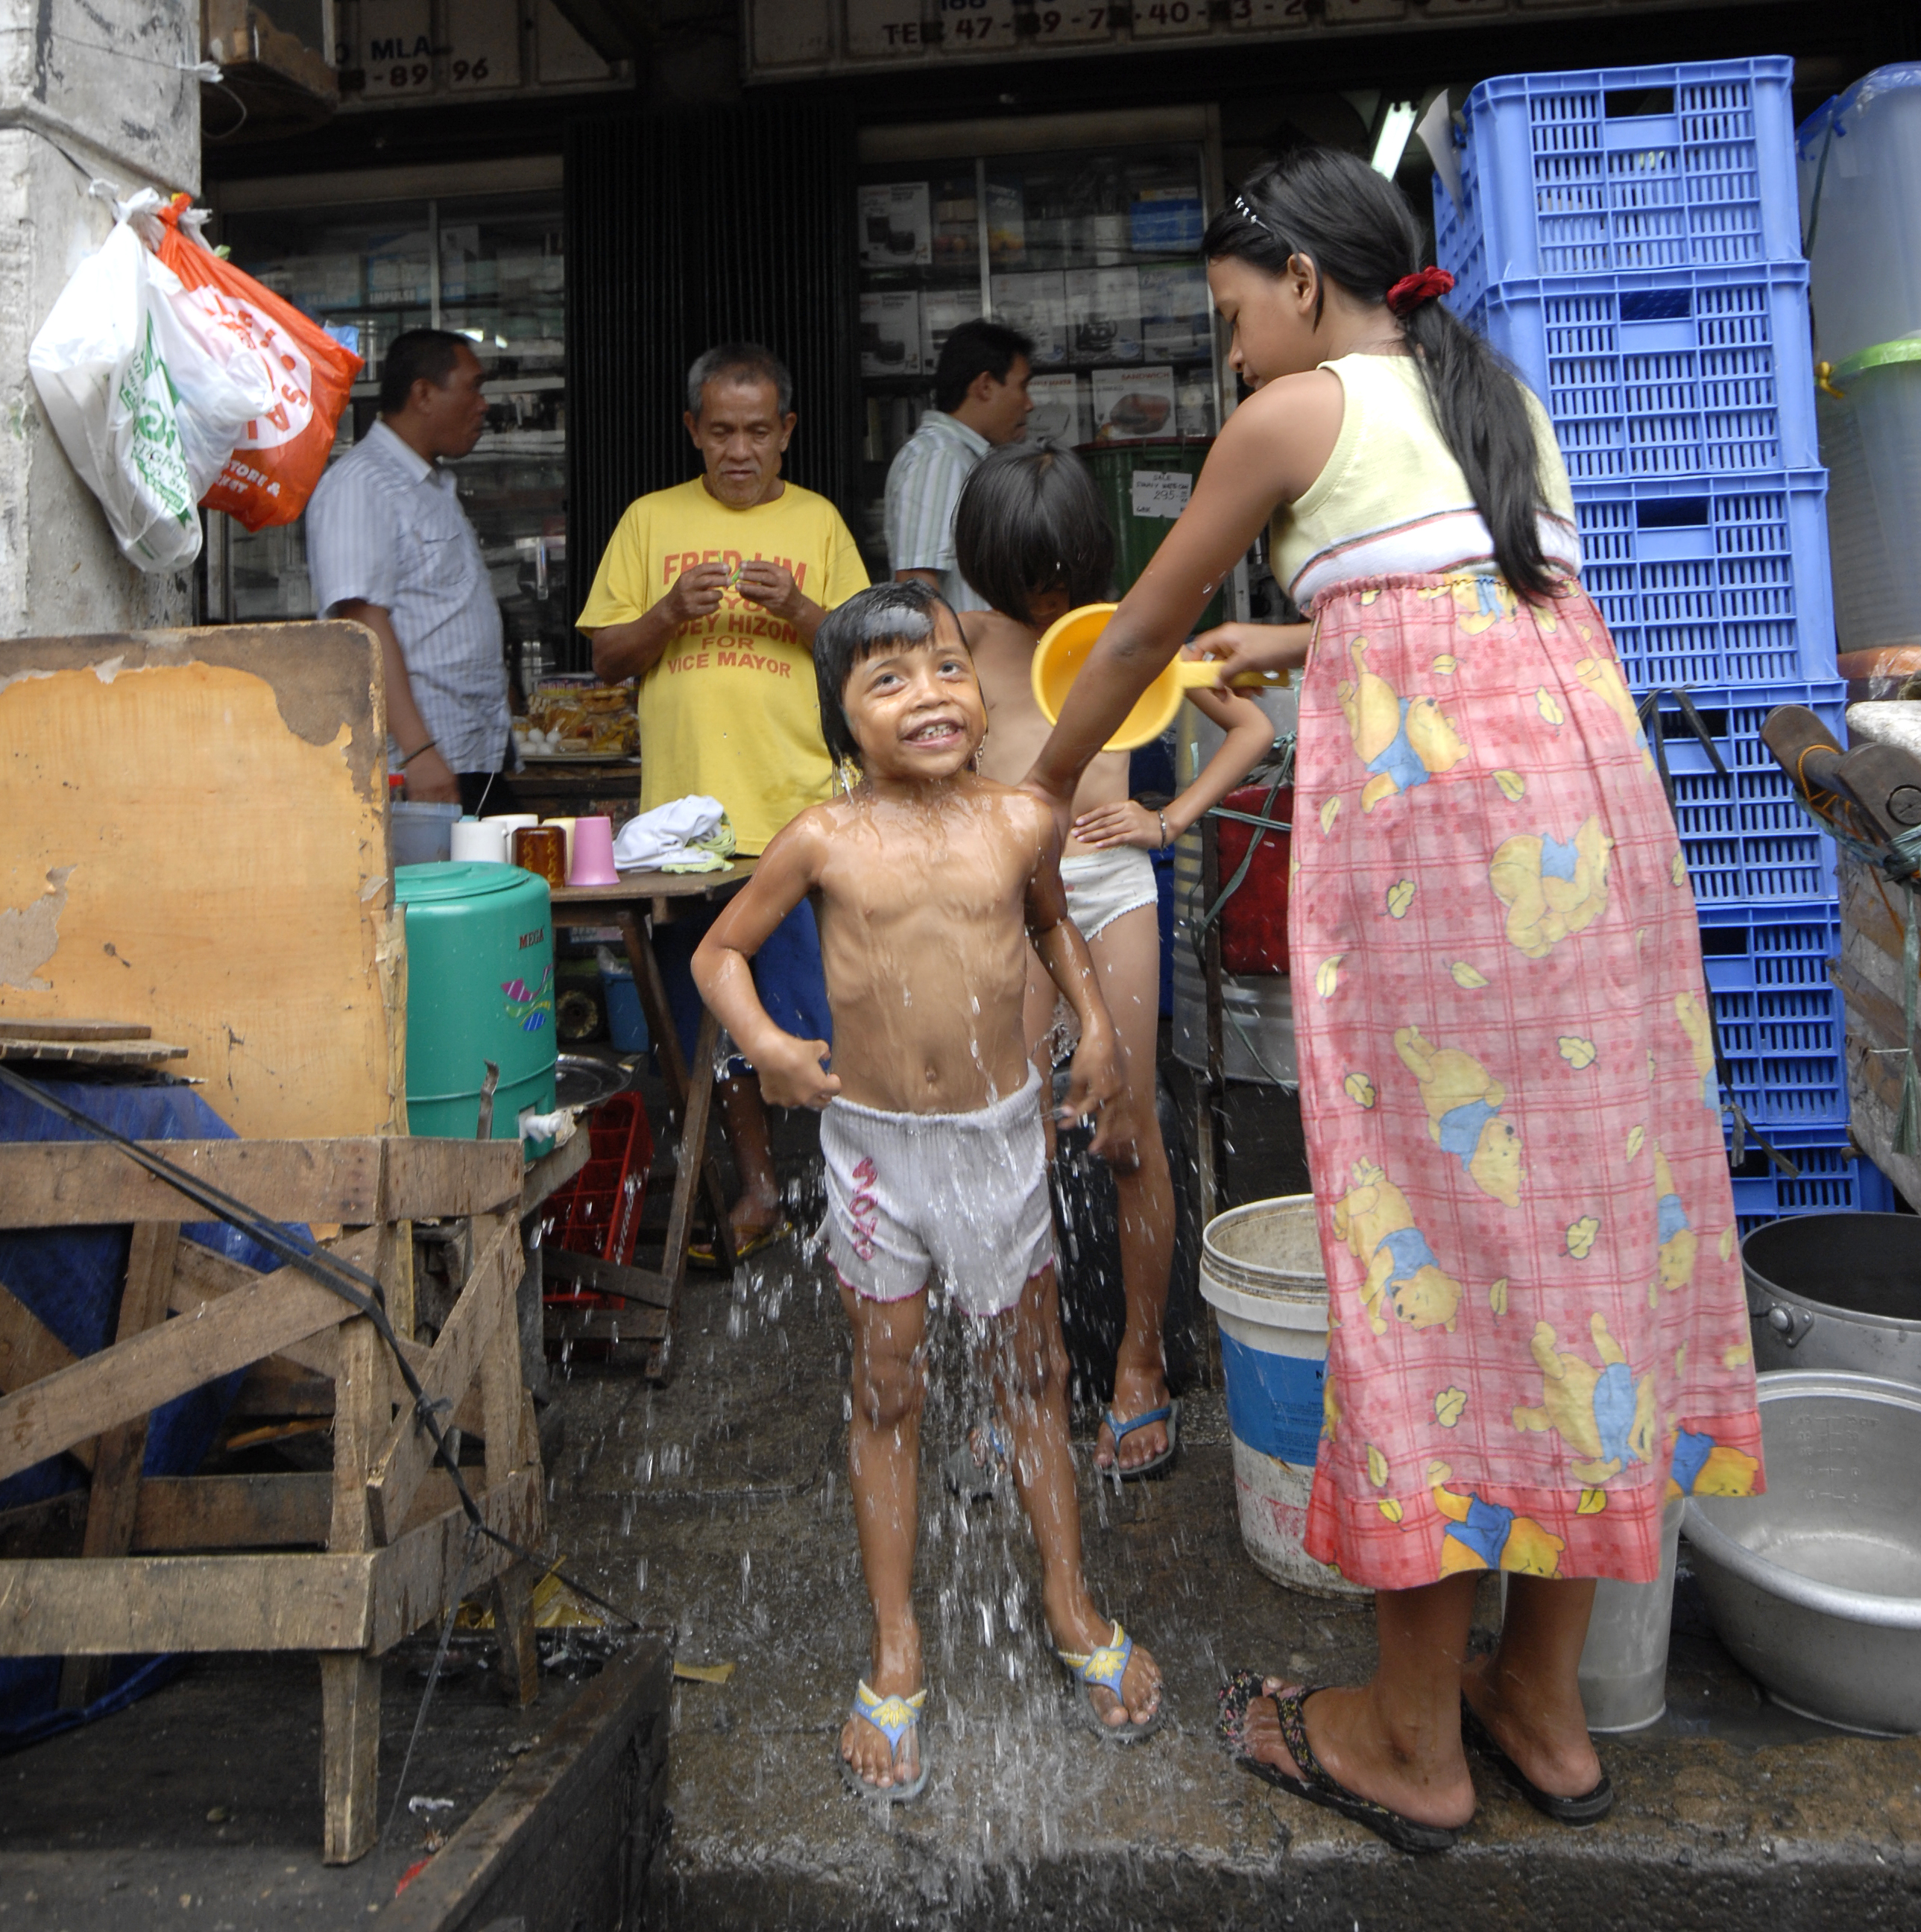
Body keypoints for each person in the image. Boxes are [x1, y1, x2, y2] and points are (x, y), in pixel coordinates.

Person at [1026, 146, 1764, 1852]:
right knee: (1580, 1245)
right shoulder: (1482, 388)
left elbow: (1138, 625)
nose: (1228, 362)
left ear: (1298, 279)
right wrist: (1296, 650)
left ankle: (1409, 1736)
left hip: (1458, 888)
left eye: (1229, 320)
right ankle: (1543, 1704)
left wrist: (1031, 786)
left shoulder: (1294, 415)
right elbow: (1470, 603)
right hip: (1596, 859)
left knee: (1429, 1253)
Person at [691, 580, 1164, 1800]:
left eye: (946, 668)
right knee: (886, 1380)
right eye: (888, 680)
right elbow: (718, 950)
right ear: (841, 718)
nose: (930, 696)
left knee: (1032, 1369)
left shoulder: (1018, 820)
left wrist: (1099, 1032)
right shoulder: (823, 837)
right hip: (871, 1150)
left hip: (999, 1138)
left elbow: (1054, 932)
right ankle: (897, 1642)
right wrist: (771, 1048)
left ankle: (1065, 1598)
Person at [951, 443, 1274, 1479]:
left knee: (1127, 1127)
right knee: (1012, 1144)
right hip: (1000, 900)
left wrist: (1166, 815)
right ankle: (1021, 1373)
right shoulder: (954, 640)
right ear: (985, 566)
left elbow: (1252, 725)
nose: (1045, 602)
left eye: (1060, 577)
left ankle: (1140, 1366)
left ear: (1089, 560)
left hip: (1106, 890)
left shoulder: (1124, 633)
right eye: (1022, 581)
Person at [576, 343, 868, 1260]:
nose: (738, 450)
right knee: (712, 1018)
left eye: (757, 432)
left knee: (826, 1008)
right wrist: (667, 612)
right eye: (720, 432)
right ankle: (757, 1188)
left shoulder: (819, 522)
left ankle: (862, 1191)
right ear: (692, 432)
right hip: (690, 827)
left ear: (787, 434)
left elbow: (868, 652)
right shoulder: (649, 520)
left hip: (803, 810)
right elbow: (606, 660)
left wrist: (803, 613)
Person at [307, 329, 510, 811]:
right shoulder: (362, 484)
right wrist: (418, 751)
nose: (483, 404)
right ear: (423, 394)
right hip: (416, 770)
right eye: (473, 387)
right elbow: (360, 624)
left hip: (470, 753)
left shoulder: (426, 484)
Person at [885, 319, 1034, 611]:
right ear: (986, 386)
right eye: (1023, 387)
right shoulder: (939, 458)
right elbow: (916, 585)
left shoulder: (963, 458)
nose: (1029, 403)